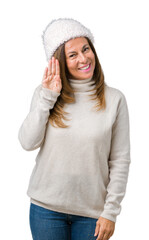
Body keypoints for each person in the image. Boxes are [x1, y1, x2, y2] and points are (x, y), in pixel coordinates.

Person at [18, 18, 131, 240]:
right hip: (46, 211)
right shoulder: (45, 94)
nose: (83, 58)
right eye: (73, 54)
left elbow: (120, 161)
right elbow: (27, 142)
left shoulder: (115, 99)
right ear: (59, 61)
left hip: (92, 215)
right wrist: (48, 97)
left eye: (86, 49)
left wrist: (111, 213)